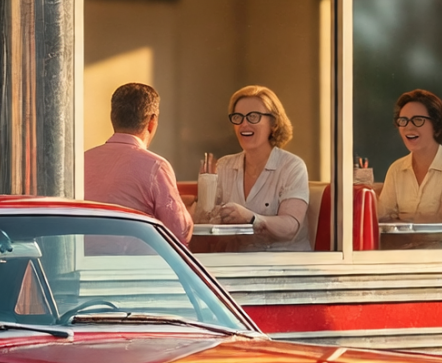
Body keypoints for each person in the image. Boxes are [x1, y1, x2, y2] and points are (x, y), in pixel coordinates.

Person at [355, 88, 442, 249]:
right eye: (403, 120)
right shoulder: (396, 169)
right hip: (411, 254)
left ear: (436, 125)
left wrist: (403, 219)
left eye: (418, 120)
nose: (408, 127)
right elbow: (381, 218)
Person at [198, 85, 311, 252]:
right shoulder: (224, 166)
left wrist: (251, 218)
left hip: (284, 266)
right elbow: (205, 220)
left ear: (274, 124)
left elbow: (290, 227)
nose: (244, 124)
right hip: (236, 264)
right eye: (238, 117)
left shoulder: (292, 166)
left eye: (253, 117)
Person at [83, 82, 192, 240]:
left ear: (113, 117)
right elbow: (180, 232)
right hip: (134, 262)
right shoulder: (156, 167)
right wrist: (192, 211)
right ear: (152, 122)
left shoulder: (82, 161)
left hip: (81, 261)